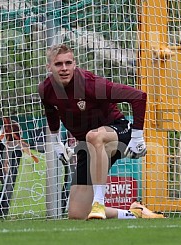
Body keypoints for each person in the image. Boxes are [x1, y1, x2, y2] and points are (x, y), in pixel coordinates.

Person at [38, 44, 165, 220]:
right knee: (77, 214)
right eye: (58, 64)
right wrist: (56, 142)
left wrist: (137, 137)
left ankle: (99, 202)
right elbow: (51, 113)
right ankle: (135, 214)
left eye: (68, 63)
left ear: (75, 64)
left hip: (118, 132)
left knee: (94, 136)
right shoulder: (45, 89)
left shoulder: (90, 85)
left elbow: (138, 96)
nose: (64, 68)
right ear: (49, 67)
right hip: (88, 146)